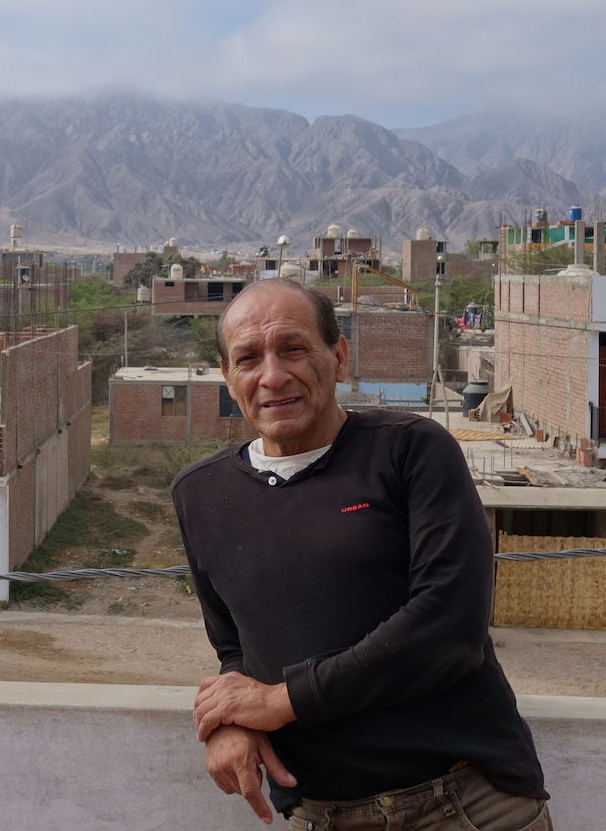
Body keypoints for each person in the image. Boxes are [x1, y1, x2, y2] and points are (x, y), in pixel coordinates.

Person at [171, 279, 549, 829]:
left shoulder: (411, 449)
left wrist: (278, 703)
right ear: (228, 377)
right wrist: (230, 719)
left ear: (339, 357)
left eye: (293, 349)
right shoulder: (201, 494)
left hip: (462, 804)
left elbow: (450, 628)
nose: (272, 376)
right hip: (319, 814)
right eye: (248, 358)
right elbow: (234, 645)